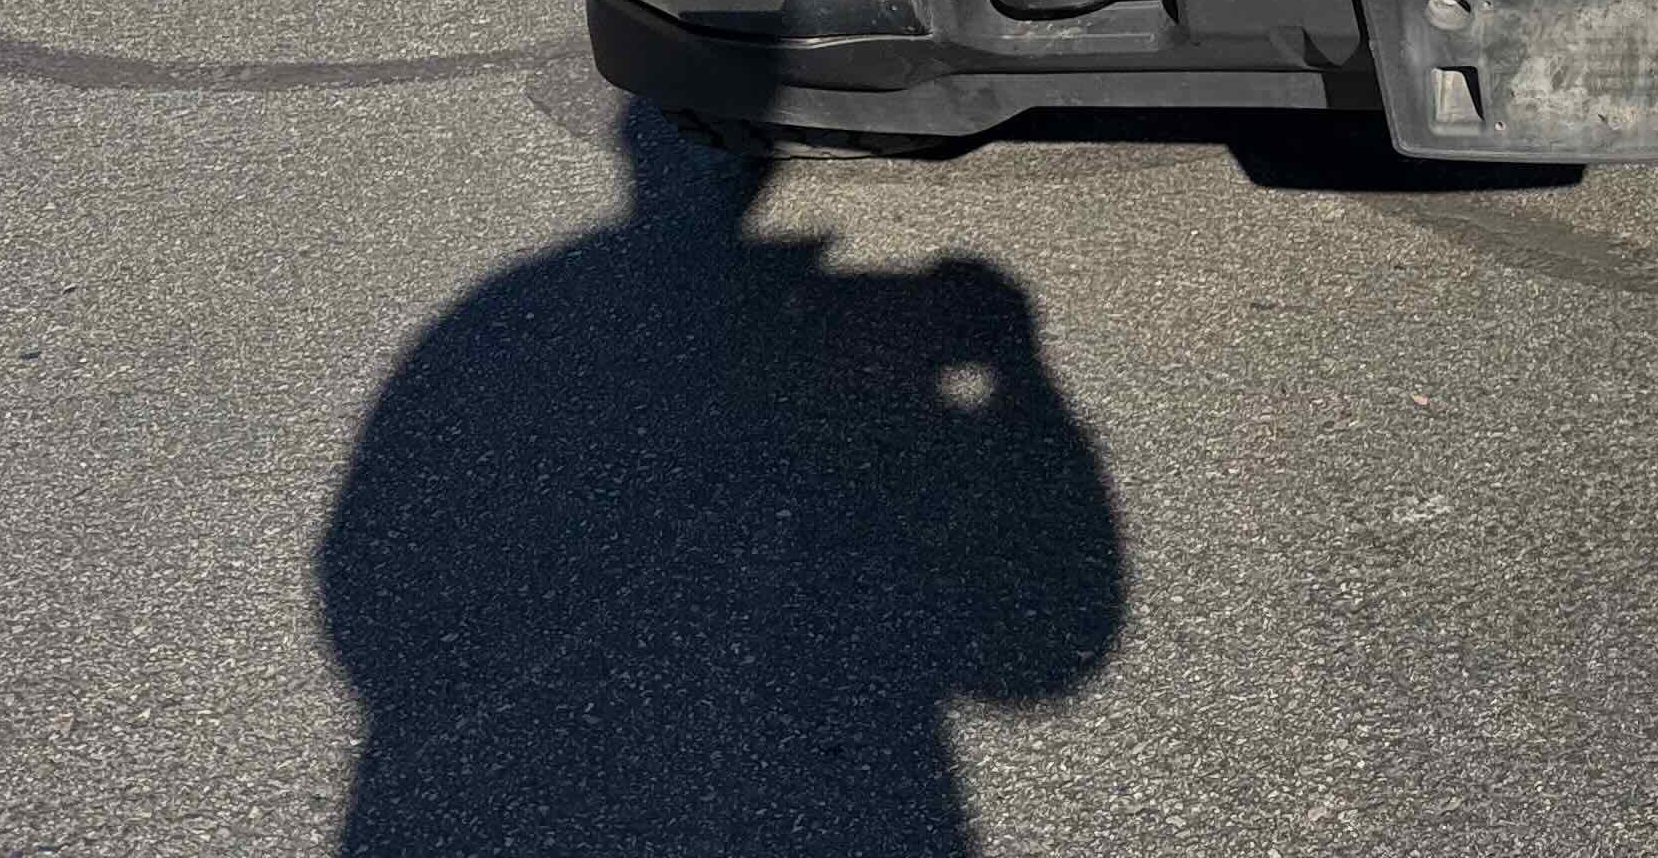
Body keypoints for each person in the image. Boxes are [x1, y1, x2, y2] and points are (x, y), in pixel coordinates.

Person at [318, 102, 1124, 852]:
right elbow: (1043, 661)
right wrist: (1021, 377)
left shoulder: (513, 301)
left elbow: (377, 558)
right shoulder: (529, 301)